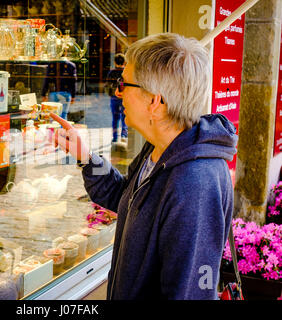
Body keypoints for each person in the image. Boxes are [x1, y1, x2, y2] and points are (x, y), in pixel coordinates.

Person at [50, 33, 238, 300]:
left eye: (124, 83)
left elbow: (188, 293)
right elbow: (124, 196)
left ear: (155, 102)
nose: (117, 92)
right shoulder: (162, 148)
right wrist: (86, 156)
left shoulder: (194, 184)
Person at [105, 53, 128, 142]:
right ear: (124, 62)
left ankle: (115, 137)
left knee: (115, 118)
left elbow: (107, 85)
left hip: (114, 97)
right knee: (124, 116)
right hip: (124, 97)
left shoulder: (111, 72)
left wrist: (110, 94)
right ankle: (124, 134)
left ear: (115, 62)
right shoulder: (125, 72)